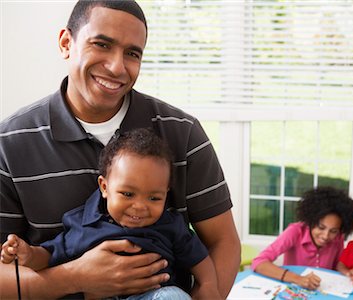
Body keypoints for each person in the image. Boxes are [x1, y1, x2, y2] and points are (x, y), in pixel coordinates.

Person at [0, 1, 240, 299]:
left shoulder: (183, 132)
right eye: (101, 44)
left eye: (132, 53)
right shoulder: (8, 143)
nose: (117, 67)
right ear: (66, 43)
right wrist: (76, 278)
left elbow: (223, 242)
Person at [1, 127, 221, 300]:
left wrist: (209, 286)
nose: (140, 206)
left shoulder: (169, 224)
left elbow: (199, 258)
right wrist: (28, 254)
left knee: (174, 297)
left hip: (153, 295)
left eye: (154, 198)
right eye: (127, 194)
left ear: (166, 193)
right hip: (97, 296)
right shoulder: (83, 223)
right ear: (104, 187)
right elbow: (50, 255)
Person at [251, 186, 353, 290]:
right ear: (311, 220)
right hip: (294, 290)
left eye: (333, 231)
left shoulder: (338, 237)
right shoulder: (295, 232)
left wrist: (348, 272)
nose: (326, 236)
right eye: (321, 227)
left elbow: (337, 267)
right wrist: (298, 279)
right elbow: (259, 262)